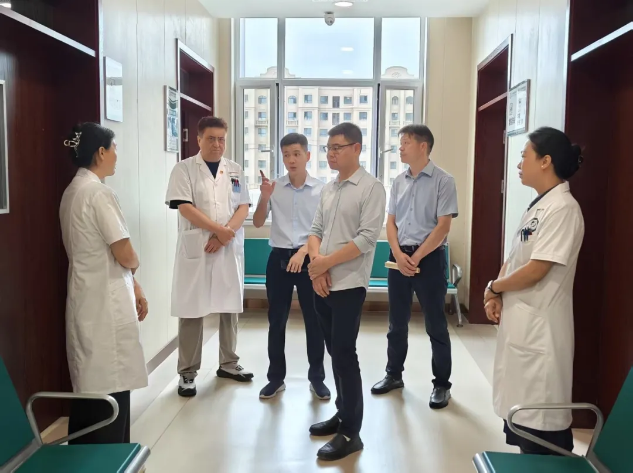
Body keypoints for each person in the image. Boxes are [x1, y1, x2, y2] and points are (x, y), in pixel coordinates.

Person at [484, 127, 585, 455]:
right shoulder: (538, 206)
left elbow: (537, 269)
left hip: (541, 334)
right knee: (523, 427)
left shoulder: (564, 209)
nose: (519, 163)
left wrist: (494, 286)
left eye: (524, 155)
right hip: (521, 328)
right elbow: (515, 257)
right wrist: (495, 293)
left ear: (545, 161)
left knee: (543, 438)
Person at [60, 123, 149, 444]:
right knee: (110, 393)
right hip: (105, 305)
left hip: (87, 297)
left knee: (89, 391)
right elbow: (124, 252)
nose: (116, 156)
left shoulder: (73, 191)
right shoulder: (99, 193)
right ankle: (110, 461)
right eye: (114, 149)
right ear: (101, 152)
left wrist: (134, 284)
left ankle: (84, 458)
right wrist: (136, 266)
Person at [307, 123, 386, 461]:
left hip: (349, 284)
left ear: (356, 148)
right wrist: (317, 265)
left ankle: (352, 432)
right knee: (334, 352)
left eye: (337, 147)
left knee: (344, 354)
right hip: (322, 283)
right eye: (328, 148)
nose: (331, 153)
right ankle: (342, 413)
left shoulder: (372, 188)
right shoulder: (329, 189)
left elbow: (367, 239)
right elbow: (315, 230)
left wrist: (324, 263)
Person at [371, 124, 457, 409]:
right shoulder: (398, 181)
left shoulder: (444, 181)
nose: (400, 147)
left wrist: (416, 257)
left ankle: (442, 384)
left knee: (435, 324)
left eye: (406, 142)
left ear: (423, 146)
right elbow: (390, 222)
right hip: (398, 258)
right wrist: (398, 254)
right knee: (396, 323)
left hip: (428, 259)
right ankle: (393, 374)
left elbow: (443, 226)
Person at [166, 116, 253, 397]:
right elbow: (184, 207)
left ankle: (229, 363)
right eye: (211, 139)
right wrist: (218, 231)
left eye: (221, 139)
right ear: (199, 139)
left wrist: (225, 234)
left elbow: (243, 207)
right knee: (192, 310)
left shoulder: (235, 170)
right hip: (199, 248)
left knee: (230, 308)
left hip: (227, 247)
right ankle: (187, 372)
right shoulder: (184, 169)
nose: (217, 144)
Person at [253, 133, 330, 400]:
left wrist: (302, 253)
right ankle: (275, 379)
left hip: (310, 260)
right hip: (278, 260)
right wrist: (264, 197)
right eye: (286, 155)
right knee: (276, 321)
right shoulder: (274, 187)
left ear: (307, 156)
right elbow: (258, 222)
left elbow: (323, 231)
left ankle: (317, 379)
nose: (291, 159)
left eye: (297, 154)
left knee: (315, 321)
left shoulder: (322, 190)